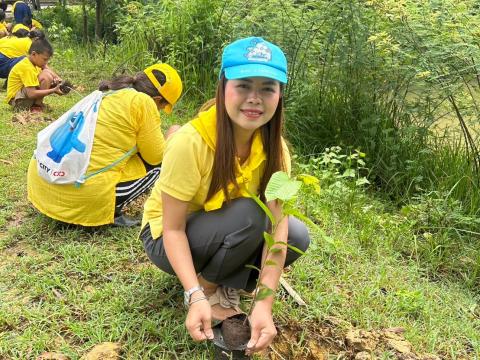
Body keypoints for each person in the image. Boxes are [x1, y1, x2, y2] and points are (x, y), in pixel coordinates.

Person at [140, 37, 310, 355]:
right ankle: (207, 289)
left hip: (223, 230)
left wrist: (264, 303)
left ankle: (224, 284)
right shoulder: (191, 142)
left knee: (296, 236)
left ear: (280, 95)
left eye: (267, 88)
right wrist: (195, 294)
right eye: (243, 85)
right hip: (166, 239)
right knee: (250, 215)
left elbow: (277, 230)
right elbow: (173, 228)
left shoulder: (278, 151)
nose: (254, 99)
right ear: (223, 87)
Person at [27, 63, 183, 227]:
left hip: (41, 180)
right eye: (163, 106)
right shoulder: (144, 102)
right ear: (157, 99)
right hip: (82, 197)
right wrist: (173, 136)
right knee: (160, 167)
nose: (160, 109)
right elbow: (156, 157)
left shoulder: (109, 90)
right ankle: (111, 211)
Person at [5, 37, 63, 111]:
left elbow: (47, 69)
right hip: (18, 102)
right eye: (44, 59)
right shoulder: (27, 67)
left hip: (23, 97)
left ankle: (36, 105)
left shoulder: (34, 63)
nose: (46, 62)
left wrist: (59, 83)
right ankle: (36, 106)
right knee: (46, 76)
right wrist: (53, 90)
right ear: (34, 54)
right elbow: (31, 93)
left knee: (47, 73)